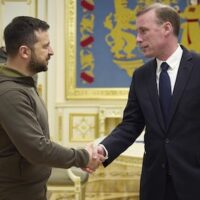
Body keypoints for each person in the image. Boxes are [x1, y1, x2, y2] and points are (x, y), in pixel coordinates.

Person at [93, 3, 200, 200]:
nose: (137, 39)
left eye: (143, 31)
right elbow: (131, 125)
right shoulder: (141, 76)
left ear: (167, 28)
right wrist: (103, 148)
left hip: (194, 182)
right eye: (137, 32)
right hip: (155, 185)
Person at [0, 16, 103, 200]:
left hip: (32, 190)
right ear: (24, 52)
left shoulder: (24, 80)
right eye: (45, 46)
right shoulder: (10, 94)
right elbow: (37, 149)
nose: (52, 51)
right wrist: (83, 157)